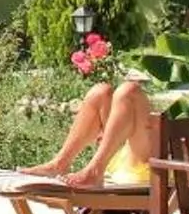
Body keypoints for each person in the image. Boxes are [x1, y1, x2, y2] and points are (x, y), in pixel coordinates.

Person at [22, 76, 156, 188]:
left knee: (129, 91)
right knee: (100, 92)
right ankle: (59, 164)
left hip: (150, 163)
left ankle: (95, 171)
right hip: (123, 153)